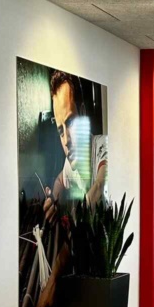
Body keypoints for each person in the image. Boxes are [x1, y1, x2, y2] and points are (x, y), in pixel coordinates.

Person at [43, 70, 106, 223]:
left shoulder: (103, 145)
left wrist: (77, 218)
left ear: (83, 113)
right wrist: (53, 199)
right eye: (60, 131)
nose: (66, 140)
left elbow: (100, 184)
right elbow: (60, 180)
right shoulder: (70, 164)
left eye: (70, 122)